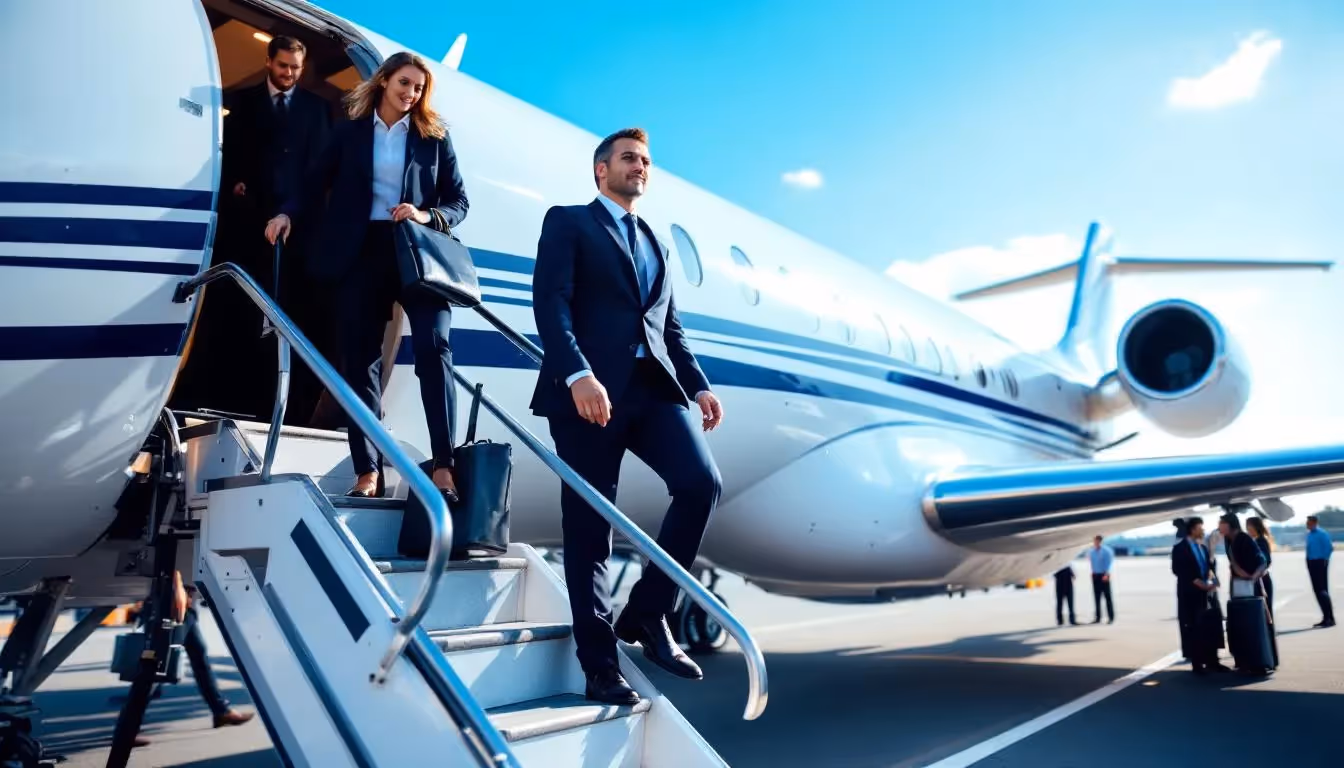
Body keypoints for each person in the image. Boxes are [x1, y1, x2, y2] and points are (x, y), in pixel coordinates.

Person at [529, 127, 725, 706]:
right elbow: (550, 302)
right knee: (591, 528)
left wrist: (698, 385)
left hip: (653, 388)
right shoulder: (569, 222)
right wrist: (577, 373)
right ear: (602, 169)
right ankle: (600, 667)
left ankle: (648, 611)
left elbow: (669, 326)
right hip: (588, 393)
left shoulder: (656, 241)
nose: (640, 166)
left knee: (701, 484)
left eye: (645, 161)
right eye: (629, 158)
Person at [266, 52, 469, 501]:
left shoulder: (434, 138)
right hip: (361, 254)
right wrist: (286, 214)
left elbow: (459, 202)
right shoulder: (350, 133)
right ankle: (367, 470)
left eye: (418, 87)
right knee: (360, 363)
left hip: (415, 251)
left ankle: (444, 463)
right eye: (404, 83)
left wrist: (425, 214)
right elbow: (313, 183)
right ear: (383, 81)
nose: (411, 93)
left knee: (435, 349)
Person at [192, 35, 332, 421]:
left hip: (294, 235)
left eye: (296, 68)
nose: (289, 74)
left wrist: (291, 214)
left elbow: (318, 174)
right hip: (244, 229)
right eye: (283, 65)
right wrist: (235, 184)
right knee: (233, 316)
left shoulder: (317, 110)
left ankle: (276, 408)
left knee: (284, 319)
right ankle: (221, 399)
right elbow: (226, 158)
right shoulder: (242, 103)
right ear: (269, 61)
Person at [1170, 517, 1229, 674]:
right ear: (1192, 529)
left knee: (1212, 626)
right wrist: (1198, 583)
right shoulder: (1180, 548)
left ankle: (1213, 661)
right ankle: (1198, 664)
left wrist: (1214, 580)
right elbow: (1178, 569)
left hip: (1208, 593)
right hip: (1191, 595)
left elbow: (1208, 567)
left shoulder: (1202, 547)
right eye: (1200, 528)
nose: (1203, 530)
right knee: (1195, 628)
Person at [1304, 515, 1335, 628]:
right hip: (1312, 563)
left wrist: (1324, 561)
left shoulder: (1322, 534)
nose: (1307, 524)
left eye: (1308, 522)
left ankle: (1330, 618)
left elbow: (1329, 548)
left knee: (1322, 591)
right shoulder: (1309, 535)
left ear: (1314, 523)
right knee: (1317, 591)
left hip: (1320, 563)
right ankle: (1326, 617)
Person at [1246, 516, 1275, 617]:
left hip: (1262, 580)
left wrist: (1255, 573)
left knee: (1265, 613)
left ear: (1255, 527)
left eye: (1248, 526)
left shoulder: (1260, 541)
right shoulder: (1256, 540)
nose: (1247, 529)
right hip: (1260, 579)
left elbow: (1266, 561)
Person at [1088, 535, 1115, 623]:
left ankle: (1111, 617)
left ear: (1100, 541)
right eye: (1094, 541)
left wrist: (1107, 573)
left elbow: (1109, 563)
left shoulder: (1106, 551)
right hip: (1095, 575)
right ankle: (1098, 617)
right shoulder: (1091, 551)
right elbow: (1091, 562)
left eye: (1097, 541)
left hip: (1104, 575)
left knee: (1107, 597)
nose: (1095, 542)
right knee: (1097, 597)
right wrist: (1092, 572)